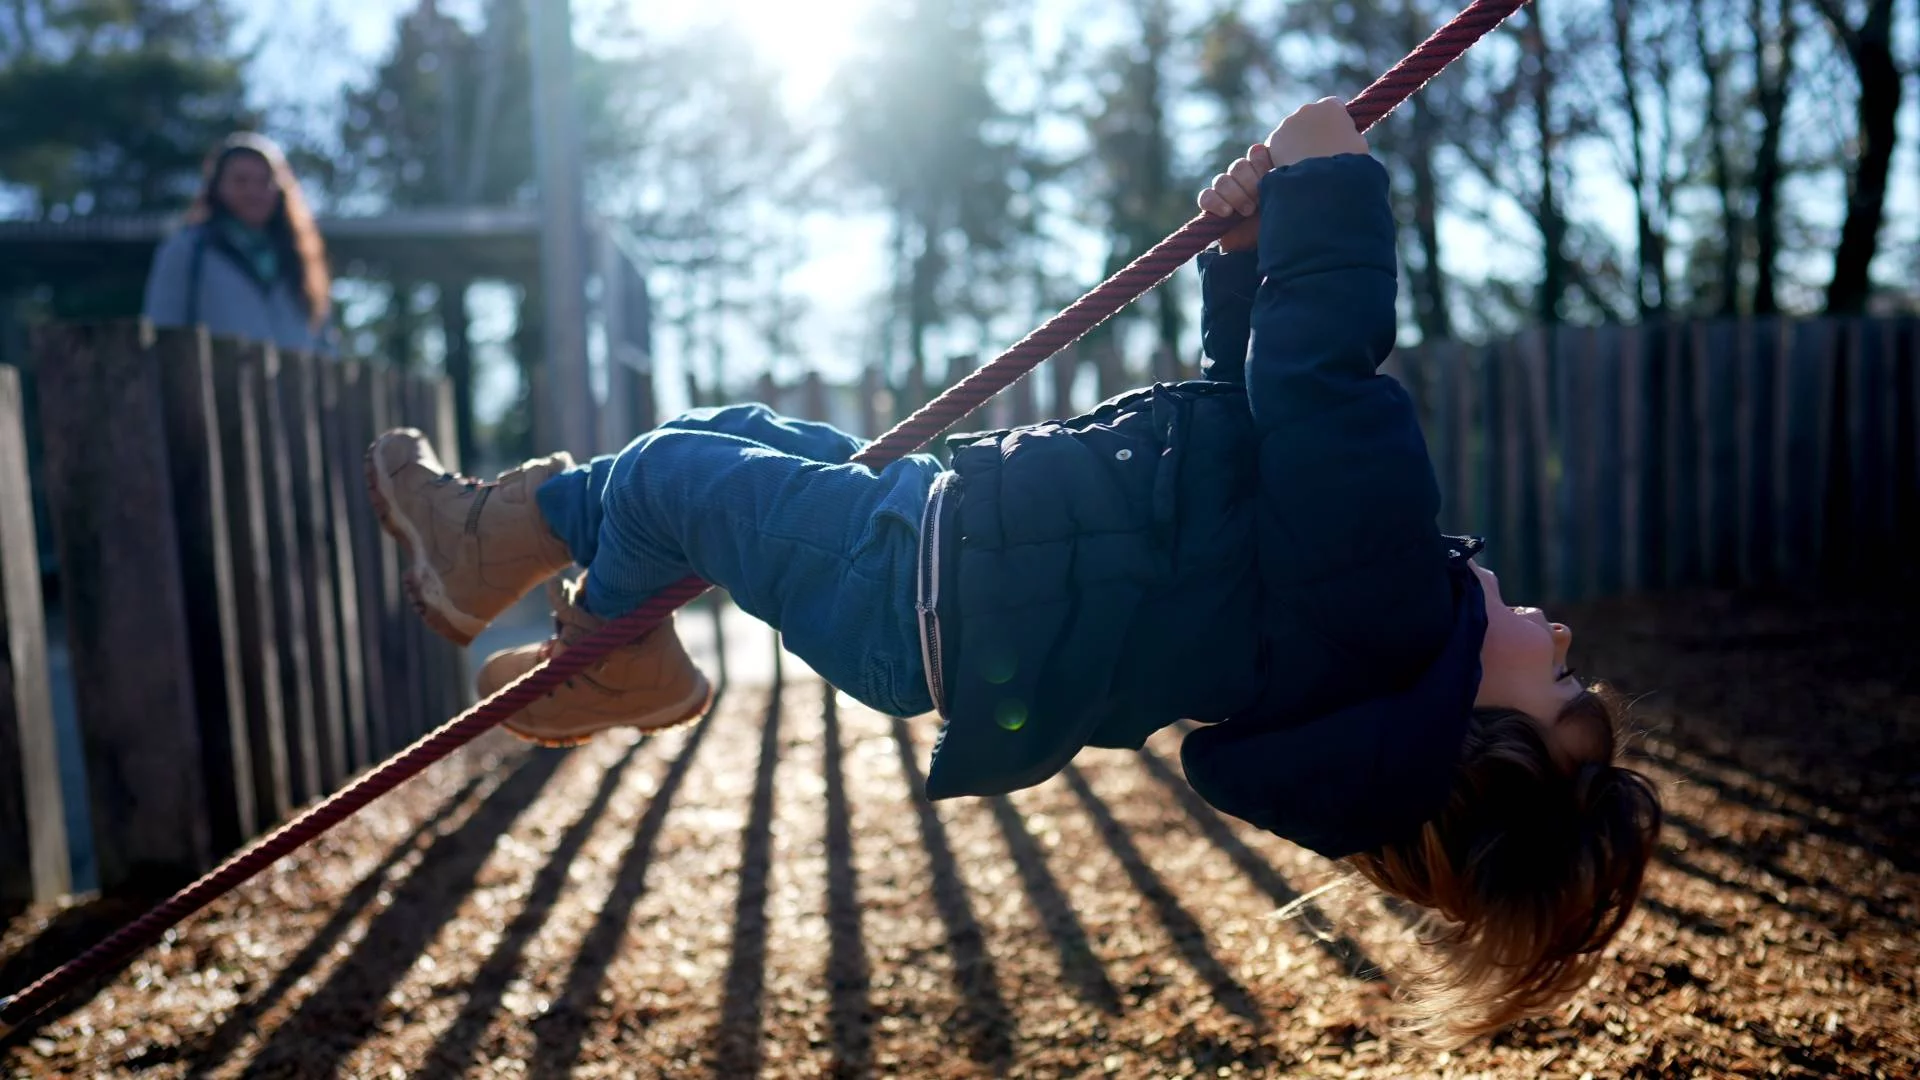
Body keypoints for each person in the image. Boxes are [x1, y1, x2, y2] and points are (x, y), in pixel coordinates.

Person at [365, 98, 1662, 1043]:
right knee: (728, 445)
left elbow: (1319, 391)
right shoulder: (1358, 643)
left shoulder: (1389, 612)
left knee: (675, 478)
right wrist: (1247, 260)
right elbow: (1255, 427)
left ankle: (533, 578)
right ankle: (596, 631)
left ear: (1486, 734)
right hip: (943, 543)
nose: (1562, 647)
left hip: (930, 578)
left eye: (1566, 696)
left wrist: (1332, 183)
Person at [142, 132, 335, 354]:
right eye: (240, 180)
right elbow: (162, 330)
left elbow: (325, 341)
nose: (253, 191)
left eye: (264, 181)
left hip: (295, 387)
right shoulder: (188, 249)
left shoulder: (301, 257)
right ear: (217, 187)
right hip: (217, 387)